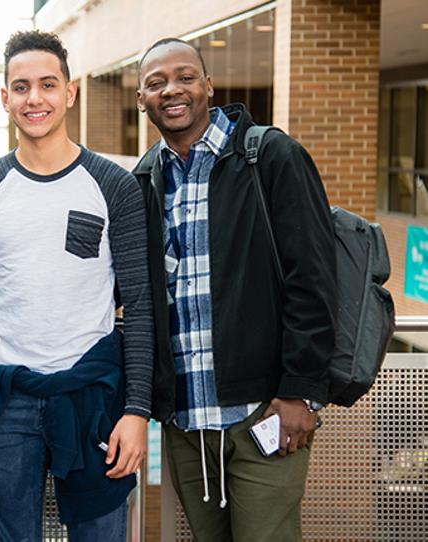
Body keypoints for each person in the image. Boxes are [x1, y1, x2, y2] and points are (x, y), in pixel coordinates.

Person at [0, 30, 155, 541]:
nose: (35, 98)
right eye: (22, 87)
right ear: (5, 97)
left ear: (70, 92)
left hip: (93, 395)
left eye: (48, 85)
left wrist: (137, 411)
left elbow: (141, 307)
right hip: (3, 396)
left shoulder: (113, 185)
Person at [133, 38, 336, 541]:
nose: (171, 90)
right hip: (185, 422)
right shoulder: (144, 179)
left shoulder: (269, 155)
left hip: (264, 413)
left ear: (208, 85)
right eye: (156, 83)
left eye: (184, 77)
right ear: (142, 99)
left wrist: (299, 393)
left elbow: (313, 279)